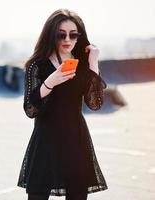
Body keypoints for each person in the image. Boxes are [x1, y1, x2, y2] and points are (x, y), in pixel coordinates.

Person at [17, 8, 108, 200]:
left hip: (76, 138)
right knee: (37, 194)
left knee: (77, 194)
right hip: (45, 139)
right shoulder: (37, 65)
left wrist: (93, 64)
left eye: (73, 35)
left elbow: (95, 103)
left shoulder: (82, 64)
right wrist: (50, 81)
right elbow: (30, 109)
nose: (67, 40)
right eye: (61, 35)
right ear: (51, 35)